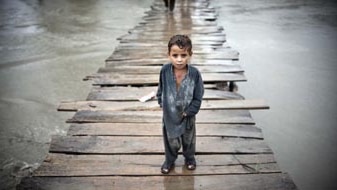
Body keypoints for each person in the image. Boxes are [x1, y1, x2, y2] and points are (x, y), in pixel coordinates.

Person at [156, 35, 204, 174]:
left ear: (190, 54)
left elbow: (198, 95)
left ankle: (189, 158)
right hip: (169, 116)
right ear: (169, 55)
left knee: (188, 139)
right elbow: (160, 89)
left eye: (183, 55)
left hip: (187, 116)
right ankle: (169, 160)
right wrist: (162, 103)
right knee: (170, 140)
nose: (179, 59)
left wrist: (189, 111)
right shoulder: (164, 71)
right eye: (175, 55)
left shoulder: (194, 74)